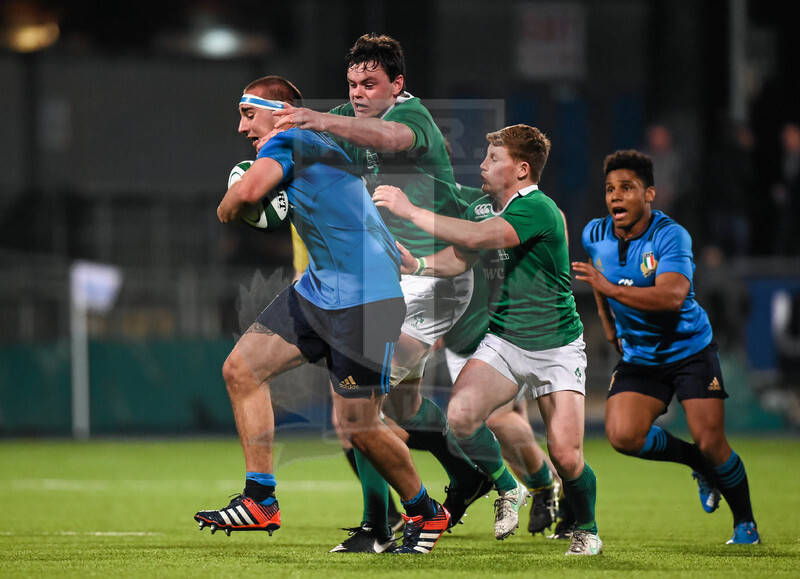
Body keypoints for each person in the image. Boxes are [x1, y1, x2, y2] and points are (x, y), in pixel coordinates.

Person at [193, 75, 451, 555]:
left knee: (361, 427)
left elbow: (246, 194)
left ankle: (425, 512)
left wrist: (227, 206)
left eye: (248, 114)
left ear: (278, 110)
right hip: (320, 289)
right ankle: (260, 499)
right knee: (241, 368)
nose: (242, 127)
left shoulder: (292, 138)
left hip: (367, 299)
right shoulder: (305, 143)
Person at [274, 33, 490, 552]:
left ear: (398, 85)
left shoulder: (414, 120)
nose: (359, 94)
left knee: (355, 409)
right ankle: (475, 478)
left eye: (370, 84)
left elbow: (389, 139)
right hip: (390, 280)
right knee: (402, 406)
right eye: (351, 84)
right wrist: (260, 168)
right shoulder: (351, 119)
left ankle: (380, 523)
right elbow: (316, 156)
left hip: (435, 278)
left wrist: (320, 119)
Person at [373, 124, 602, 555]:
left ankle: (587, 529)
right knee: (460, 417)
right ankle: (507, 488)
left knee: (566, 457)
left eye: (493, 159)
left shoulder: (539, 209)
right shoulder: (484, 206)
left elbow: (479, 237)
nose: (482, 164)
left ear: (521, 168)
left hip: (556, 347)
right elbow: (461, 256)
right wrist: (417, 264)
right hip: (506, 341)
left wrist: (409, 211)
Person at [572, 149, 760, 545]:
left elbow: (673, 296)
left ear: (650, 194)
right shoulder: (595, 234)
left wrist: (606, 289)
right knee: (623, 436)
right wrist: (608, 327)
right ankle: (698, 464)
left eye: (627, 188)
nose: (616, 197)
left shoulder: (670, 235)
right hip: (640, 355)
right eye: (610, 189)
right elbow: (601, 285)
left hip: (689, 349)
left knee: (712, 441)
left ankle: (745, 522)